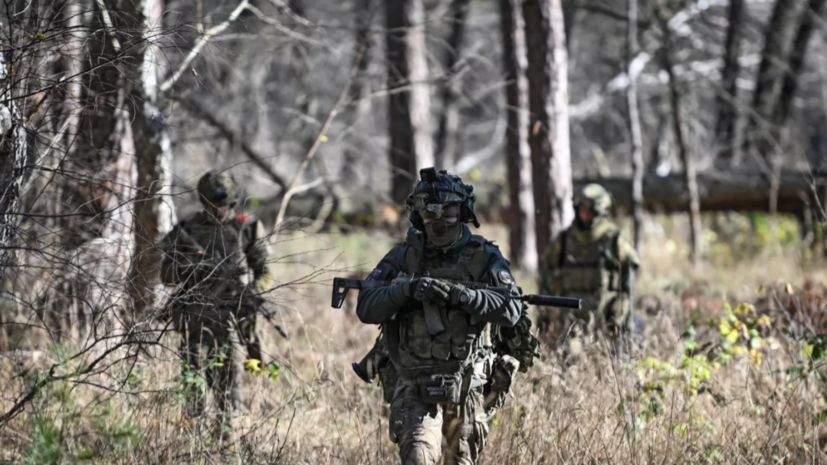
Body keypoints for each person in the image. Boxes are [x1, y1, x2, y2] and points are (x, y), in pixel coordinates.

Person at [356, 168, 534, 465]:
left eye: (448, 212)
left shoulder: (484, 256)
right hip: (412, 379)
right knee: (417, 457)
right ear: (418, 217)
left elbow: (512, 309)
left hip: (469, 385)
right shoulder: (403, 257)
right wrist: (408, 290)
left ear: (462, 212)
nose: (438, 221)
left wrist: (462, 295)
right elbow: (366, 306)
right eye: (429, 214)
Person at [160, 170, 273, 435]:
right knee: (193, 390)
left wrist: (252, 292)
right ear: (202, 202)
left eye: (223, 205)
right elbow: (166, 277)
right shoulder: (186, 231)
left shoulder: (246, 229)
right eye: (211, 205)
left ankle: (227, 444)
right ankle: (191, 445)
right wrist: (190, 267)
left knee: (229, 392)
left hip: (232, 320)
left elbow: (265, 273)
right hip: (193, 323)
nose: (217, 210)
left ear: (232, 204)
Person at [539, 183, 640, 359]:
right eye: (582, 210)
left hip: (607, 322)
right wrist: (545, 321)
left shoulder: (614, 240)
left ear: (600, 213)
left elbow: (628, 284)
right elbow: (547, 279)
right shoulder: (563, 241)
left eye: (590, 211)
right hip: (570, 324)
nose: (585, 215)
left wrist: (625, 322)